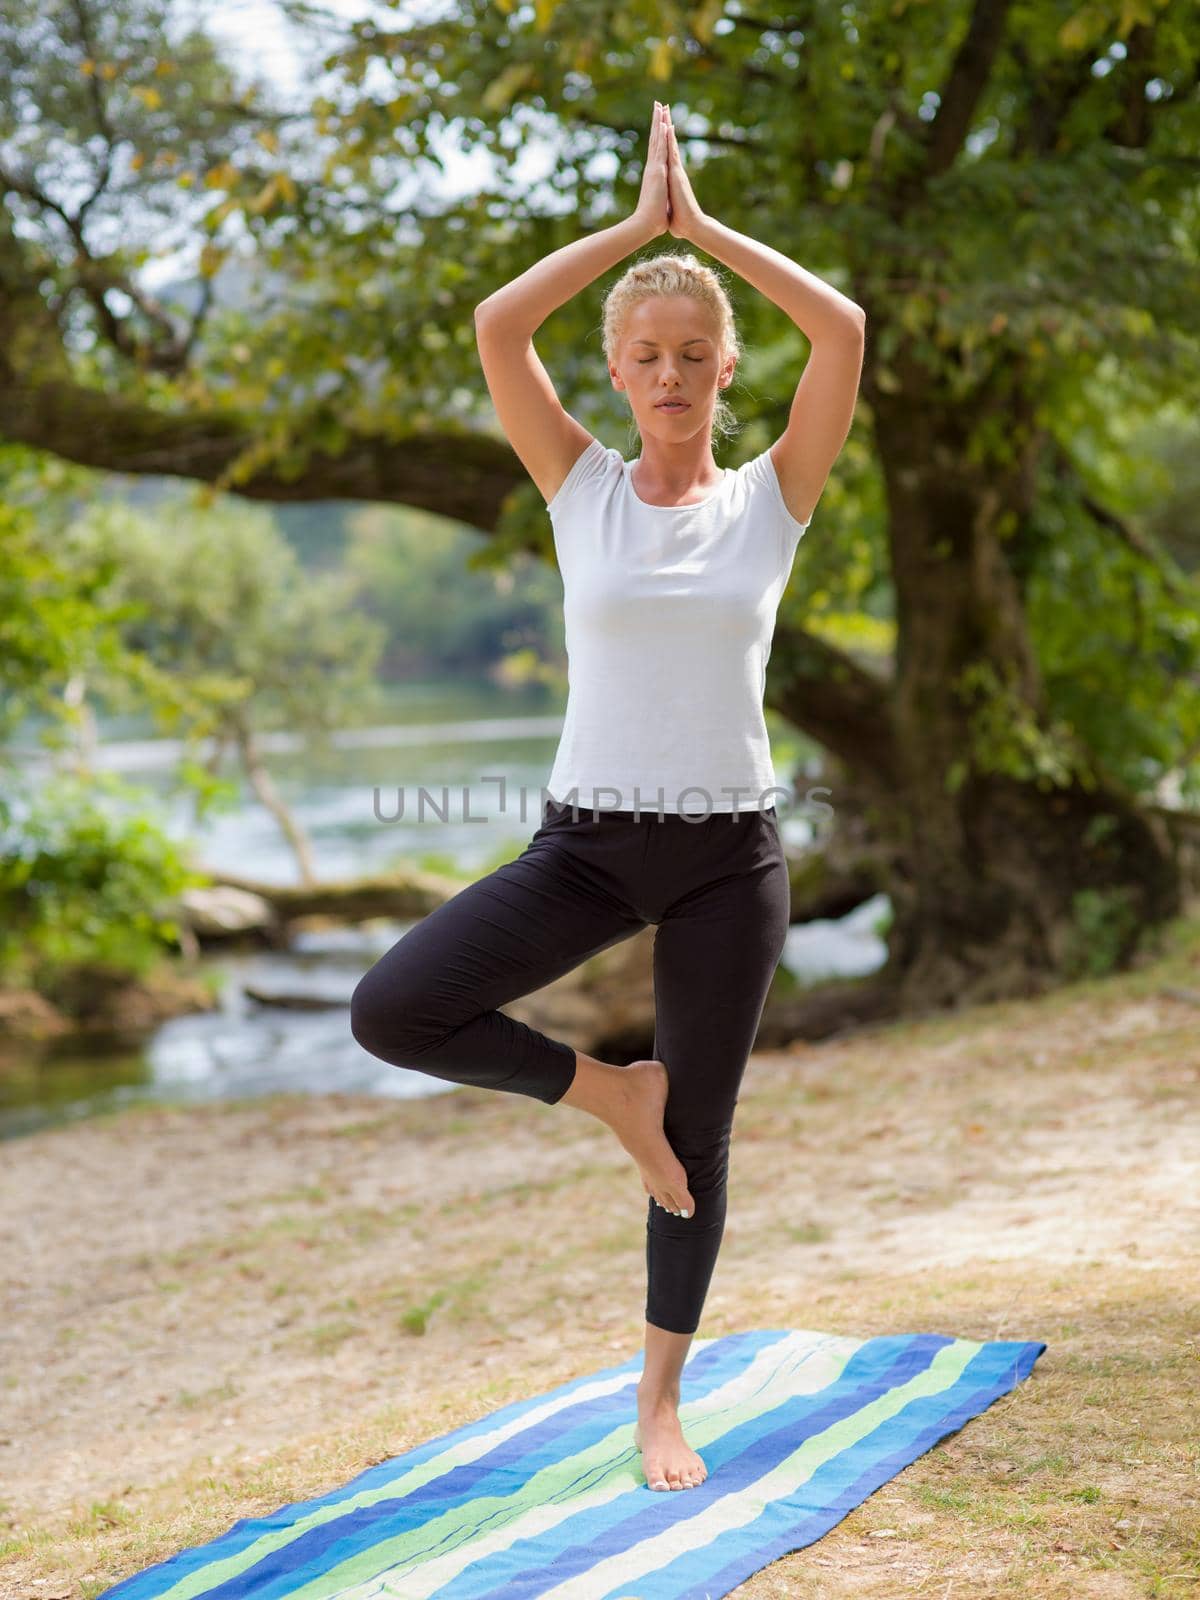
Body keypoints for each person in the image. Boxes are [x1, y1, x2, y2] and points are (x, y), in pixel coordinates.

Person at [350, 100, 866, 1493]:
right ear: (620, 375)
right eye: (646, 356)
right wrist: (638, 232)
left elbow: (846, 332)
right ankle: (606, 1098)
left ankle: (656, 1404)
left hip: (727, 862)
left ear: (722, 370)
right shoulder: (579, 487)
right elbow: (495, 328)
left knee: (700, 1139)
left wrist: (707, 236)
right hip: (584, 849)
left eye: (695, 354)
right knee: (395, 1008)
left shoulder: (772, 499)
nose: (671, 373)